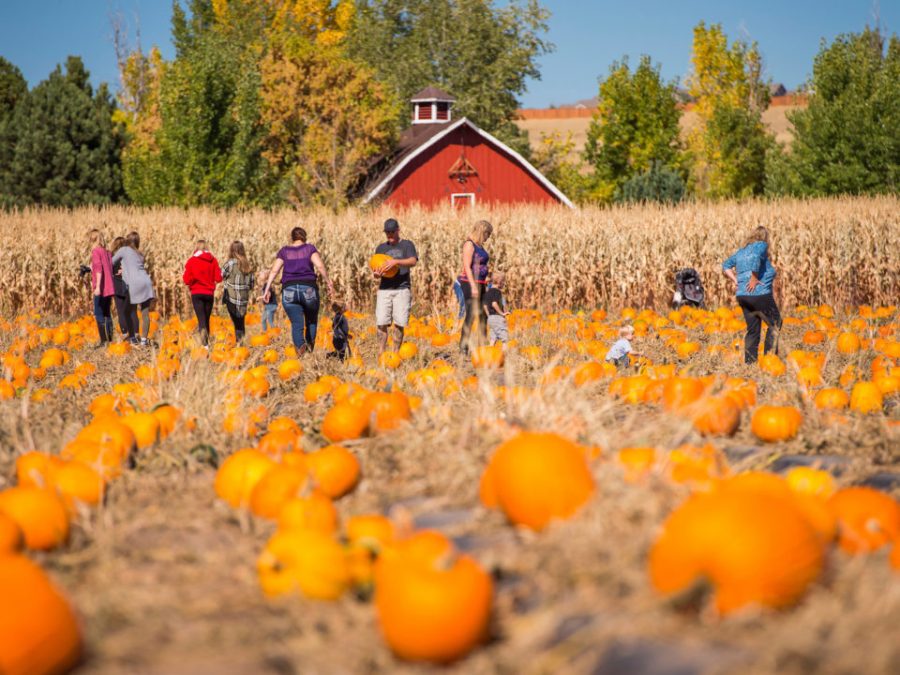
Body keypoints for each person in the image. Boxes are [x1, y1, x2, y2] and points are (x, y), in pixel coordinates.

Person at [262, 227, 335, 355]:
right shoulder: (309, 249)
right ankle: (309, 352)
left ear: (292, 237)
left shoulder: (284, 251)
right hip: (308, 289)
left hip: (289, 290)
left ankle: (302, 355)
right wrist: (329, 282)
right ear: (304, 237)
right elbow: (319, 266)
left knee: (297, 323)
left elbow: (274, 271)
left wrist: (267, 289)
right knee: (311, 320)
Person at [722, 225, 781, 364]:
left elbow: (725, 265)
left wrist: (736, 280)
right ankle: (770, 359)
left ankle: (750, 363)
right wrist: (754, 278)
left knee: (753, 330)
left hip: (743, 295)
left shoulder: (741, 252)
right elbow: (755, 258)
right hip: (759, 294)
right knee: (775, 323)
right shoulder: (760, 245)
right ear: (764, 237)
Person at [373, 218, 418, 354]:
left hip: (402, 289)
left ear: (398, 230)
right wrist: (376, 274)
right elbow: (377, 268)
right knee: (381, 322)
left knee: (399, 323)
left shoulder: (407, 245)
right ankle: (381, 354)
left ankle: (395, 354)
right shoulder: (381, 248)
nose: (389, 235)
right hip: (384, 290)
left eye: (392, 232)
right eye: (387, 232)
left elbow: (413, 261)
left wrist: (396, 262)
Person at [111, 231, 156, 347]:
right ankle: (144, 341)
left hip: (134, 284)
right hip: (146, 282)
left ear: (127, 240)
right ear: (138, 242)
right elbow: (134, 266)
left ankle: (132, 339)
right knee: (145, 313)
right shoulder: (140, 255)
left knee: (127, 311)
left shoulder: (124, 250)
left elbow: (111, 263)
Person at [458, 220, 493, 354]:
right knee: (471, 314)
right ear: (481, 232)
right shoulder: (469, 244)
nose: (487, 238)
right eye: (487, 234)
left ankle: (483, 346)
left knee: (483, 314)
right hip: (470, 282)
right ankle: (463, 348)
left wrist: (487, 273)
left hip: (482, 283)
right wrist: (473, 286)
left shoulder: (480, 246)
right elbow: (467, 266)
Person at [182, 240, 222, 347]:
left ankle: (204, 347)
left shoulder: (191, 261)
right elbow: (218, 278)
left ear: (196, 248)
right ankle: (206, 345)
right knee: (206, 319)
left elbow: (186, 280)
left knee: (202, 320)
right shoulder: (213, 260)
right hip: (209, 294)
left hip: (197, 293)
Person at [221, 241, 254, 344]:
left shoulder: (229, 264)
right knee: (241, 322)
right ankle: (241, 345)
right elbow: (252, 283)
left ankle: (240, 345)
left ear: (231, 250)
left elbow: (220, 275)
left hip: (232, 297)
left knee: (236, 323)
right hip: (243, 299)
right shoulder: (247, 264)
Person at [88, 230, 115, 346]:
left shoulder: (96, 252)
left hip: (102, 287)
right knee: (107, 313)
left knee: (99, 313)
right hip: (109, 287)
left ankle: (103, 342)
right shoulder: (107, 252)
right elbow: (107, 268)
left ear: (92, 240)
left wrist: (98, 287)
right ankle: (109, 339)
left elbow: (99, 269)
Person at [110, 236, 137, 342]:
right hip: (129, 287)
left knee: (121, 311)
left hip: (117, 287)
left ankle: (125, 333)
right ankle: (135, 333)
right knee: (132, 311)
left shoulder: (112, 258)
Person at [482, 271, 510, 346]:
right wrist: (502, 313)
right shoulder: (497, 292)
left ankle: (490, 354)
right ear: (499, 281)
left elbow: (485, 306)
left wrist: (489, 315)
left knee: (493, 338)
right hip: (498, 317)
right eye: (503, 281)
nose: (504, 283)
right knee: (505, 338)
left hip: (490, 318)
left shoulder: (487, 293)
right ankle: (505, 355)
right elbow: (494, 304)